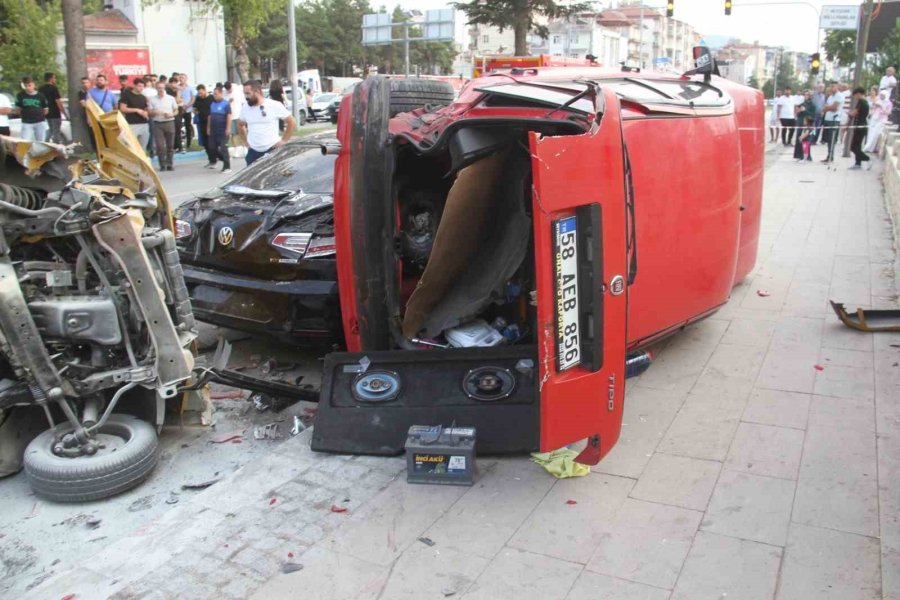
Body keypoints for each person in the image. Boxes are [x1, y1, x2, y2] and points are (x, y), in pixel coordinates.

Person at [238, 79, 295, 165]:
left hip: (272, 149)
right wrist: (245, 142)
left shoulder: (274, 105)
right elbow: (240, 124)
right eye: (244, 93)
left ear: (257, 92)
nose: (246, 97)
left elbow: (291, 122)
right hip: (253, 152)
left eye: (248, 93)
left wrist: (284, 140)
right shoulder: (245, 108)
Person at [148, 81, 178, 171]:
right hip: (158, 123)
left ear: (164, 88)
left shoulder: (170, 98)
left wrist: (171, 114)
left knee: (170, 145)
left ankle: (170, 164)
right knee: (160, 146)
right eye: (159, 88)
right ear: (156, 89)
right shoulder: (152, 99)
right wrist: (154, 112)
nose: (160, 89)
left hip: (169, 122)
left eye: (162, 88)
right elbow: (149, 112)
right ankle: (162, 164)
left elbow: (176, 110)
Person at [119, 77, 151, 150]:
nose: (141, 88)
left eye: (143, 86)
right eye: (139, 86)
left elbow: (145, 108)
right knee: (130, 147)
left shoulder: (143, 97)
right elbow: (122, 108)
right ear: (135, 85)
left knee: (142, 147)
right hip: (132, 124)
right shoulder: (126, 95)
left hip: (144, 124)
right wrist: (136, 110)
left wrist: (146, 112)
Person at [206, 86, 232, 173]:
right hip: (213, 130)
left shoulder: (225, 104)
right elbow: (210, 116)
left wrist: (228, 128)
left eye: (216, 94)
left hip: (222, 130)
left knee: (223, 148)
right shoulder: (212, 104)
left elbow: (229, 116)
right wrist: (208, 127)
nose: (214, 95)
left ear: (221, 93)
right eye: (214, 94)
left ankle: (227, 167)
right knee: (212, 147)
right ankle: (222, 159)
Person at [15, 76, 49, 142]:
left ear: (33, 85)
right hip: (26, 122)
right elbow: (17, 109)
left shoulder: (40, 95)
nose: (28, 87)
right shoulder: (20, 95)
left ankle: (40, 152)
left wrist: (39, 115)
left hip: (39, 121)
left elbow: (46, 109)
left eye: (29, 85)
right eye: (26, 86)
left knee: (41, 141)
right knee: (25, 141)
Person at [39, 72, 67, 143]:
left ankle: (45, 141)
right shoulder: (53, 88)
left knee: (51, 129)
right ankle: (56, 145)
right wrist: (64, 113)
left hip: (46, 113)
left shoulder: (41, 89)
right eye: (54, 78)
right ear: (50, 79)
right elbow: (58, 101)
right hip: (55, 113)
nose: (55, 80)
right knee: (56, 131)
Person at [848, 86, 870, 170]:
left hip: (860, 127)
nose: (855, 97)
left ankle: (867, 159)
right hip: (859, 126)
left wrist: (850, 113)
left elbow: (854, 113)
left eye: (855, 95)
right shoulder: (862, 102)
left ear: (858, 94)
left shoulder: (862, 102)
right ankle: (858, 163)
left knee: (853, 146)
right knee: (857, 146)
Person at [821, 83, 843, 163]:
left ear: (837, 87)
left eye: (833, 86)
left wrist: (827, 108)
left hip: (834, 120)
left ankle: (831, 156)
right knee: (828, 139)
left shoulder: (839, 96)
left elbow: (834, 108)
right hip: (827, 119)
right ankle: (829, 155)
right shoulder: (830, 97)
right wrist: (827, 108)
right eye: (830, 86)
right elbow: (825, 107)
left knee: (832, 139)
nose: (831, 88)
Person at [865, 89, 892, 154]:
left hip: (881, 119)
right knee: (870, 133)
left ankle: (869, 148)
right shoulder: (878, 100)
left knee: (875, 134)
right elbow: (872, 108)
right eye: (881, 95)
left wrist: (882, 107)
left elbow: (888, 113)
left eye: (883, 95)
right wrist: (874, 105)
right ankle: (868, 147)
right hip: (874, 118)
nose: (881, 96)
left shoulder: (889, 103)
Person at [793, 90, 815, 162]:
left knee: (806, 140)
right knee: (799, 138)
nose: (806, 96)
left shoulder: (813, 105)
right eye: (805, 94)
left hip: (808, 124)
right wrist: (797, 111)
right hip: (800, 122)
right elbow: (798, 113)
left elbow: (813, 115)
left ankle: (806, 156)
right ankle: (799, 155)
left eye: (807, 95)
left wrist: (805, 110)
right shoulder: (802, 104)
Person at [194, 84, 213, 161]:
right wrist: (196, 112)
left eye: (201, 93)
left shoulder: (211, 98)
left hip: (211, 122)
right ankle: (210, 159)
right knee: (205, 142)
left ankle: (215, 157)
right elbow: (195, 108)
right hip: (202, 122)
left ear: (205, 90)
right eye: (199, 93)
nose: (200, 95)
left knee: (211, 142)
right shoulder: (198, 99)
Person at [178, 73, 196, 152]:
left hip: (188, 110)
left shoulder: (190, 88)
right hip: (179, 110)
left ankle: (189, 144)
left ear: (186, 79)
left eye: (183, 77)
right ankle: (179, 145)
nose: (181, 79)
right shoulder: (178, 88)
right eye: (180, 77)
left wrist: (187, 106)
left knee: (188, 127)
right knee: (178, 127)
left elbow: (193, 98)